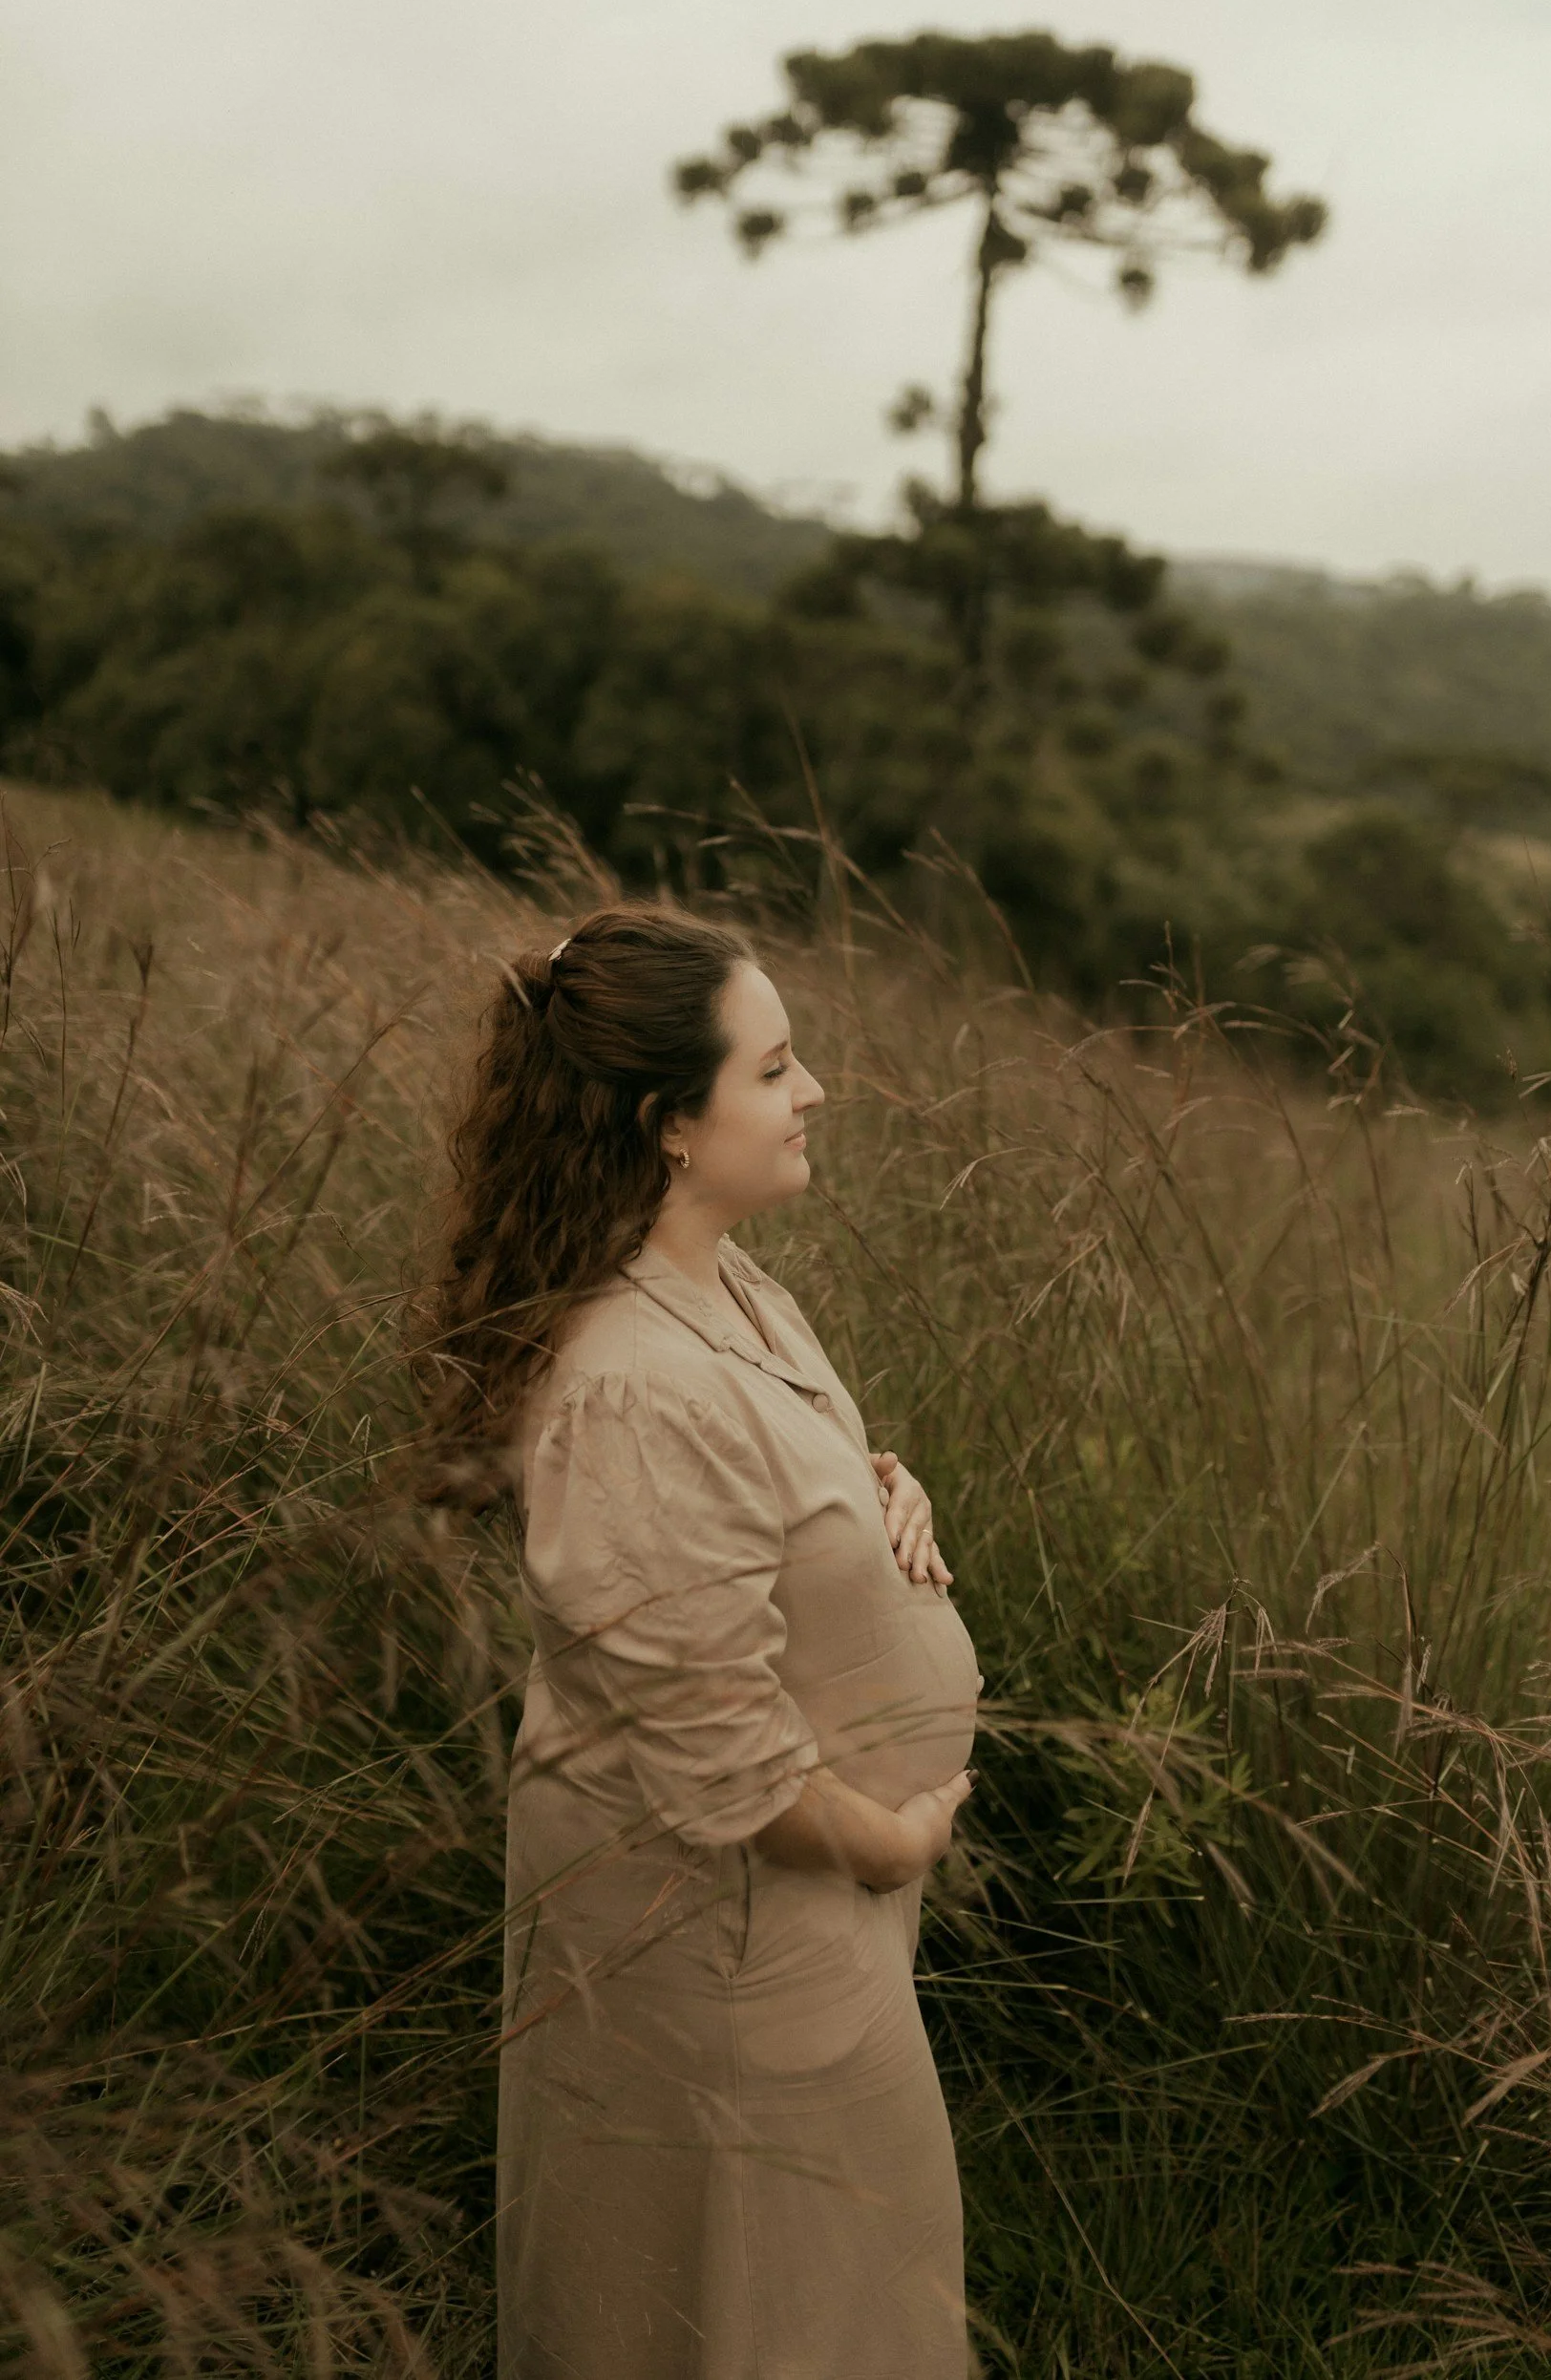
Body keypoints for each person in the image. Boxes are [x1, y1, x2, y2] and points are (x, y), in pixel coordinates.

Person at [418, 903, 983, 2379]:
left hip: (797, 1920)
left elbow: (750, 1501)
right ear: (671, 1121)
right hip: (728, 1930)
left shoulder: (730, 1286)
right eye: (775, 1069)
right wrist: (889, 1845)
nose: (813, 1094)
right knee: (741, 2306)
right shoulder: (628, 1387)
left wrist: (874, 1494)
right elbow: (717, 1747)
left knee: (825, 2281)